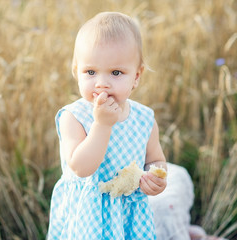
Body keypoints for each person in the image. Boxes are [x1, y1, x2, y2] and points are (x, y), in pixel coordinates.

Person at [47, 12, 167, 239]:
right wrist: (102, 125)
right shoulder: (73, 117)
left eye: (116, 72)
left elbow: (155, 159)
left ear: (136, 77)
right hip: (87, 216)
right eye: (90, 72)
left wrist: (156, 178)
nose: (101, 83)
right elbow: (81, 168)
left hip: (129, 216)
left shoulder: (144, 119)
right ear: (76, 72)